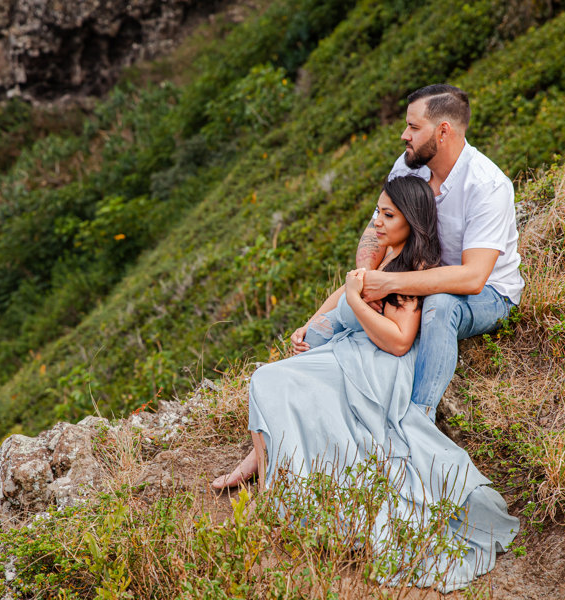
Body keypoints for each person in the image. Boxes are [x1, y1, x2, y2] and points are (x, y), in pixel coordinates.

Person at [211, 176, 518, 591]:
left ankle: (271, 489)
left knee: (267, 380)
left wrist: (356, 301)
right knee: (273, 380)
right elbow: (348, 285)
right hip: (351, 349)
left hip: (378, 366)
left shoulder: (415, 267)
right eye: (377, 211)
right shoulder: (386, 250)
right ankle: (269, 477)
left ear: (411, 221)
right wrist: (311, 324)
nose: (376, 221)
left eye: (387, 215)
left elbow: (399, 340)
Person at [339, 83, 523, 420]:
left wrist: (393, 284)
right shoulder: (408, 166)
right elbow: (376, 230)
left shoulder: (487, 185)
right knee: (345, 300)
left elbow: (472, 277)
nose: (403, 135)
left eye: (413, 127)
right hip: (418, 276)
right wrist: (370, 279)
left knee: (441, 304)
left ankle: (418, 419)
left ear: (442, 131)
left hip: (489, 295)